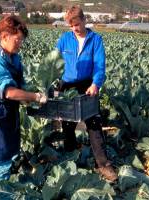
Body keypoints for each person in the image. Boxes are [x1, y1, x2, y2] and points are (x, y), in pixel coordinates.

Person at [0, 15, 47, 183]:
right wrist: (36, 96)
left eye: (21, 40)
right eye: (17, 40)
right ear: (5, 36)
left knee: (8, 155)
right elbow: (8, 92)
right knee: (0, 162)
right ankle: (1, 191)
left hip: (7, 113)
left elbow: (20, 86)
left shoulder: (15, 58)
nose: (20, 44)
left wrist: (28, 96)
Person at [56, 5, 118, 182]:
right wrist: (52, 80)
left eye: (77, 24)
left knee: (93, 122)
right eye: (71, 26)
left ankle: (103, 164)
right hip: (67, 85)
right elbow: (53, 61)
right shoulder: (64, 39)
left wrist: (96, 84)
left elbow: (100, 65)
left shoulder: (95, 39)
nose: (74, 28)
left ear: (84, 20)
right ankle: (70, 153)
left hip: (88, 85)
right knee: (67, 122)